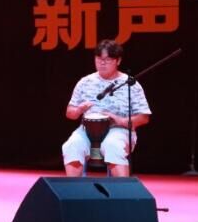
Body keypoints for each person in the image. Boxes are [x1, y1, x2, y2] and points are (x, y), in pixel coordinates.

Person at [62, 39, 151, 177]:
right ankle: (74, 189)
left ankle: (122, 190)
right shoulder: (85, 82)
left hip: (119, 130)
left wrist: (120, 120)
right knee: (72, 145)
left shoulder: (130, 84)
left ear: (118, 61)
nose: (102, 63)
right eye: (99, 59)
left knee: (112, 145)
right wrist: (79, 110)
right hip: (87, 130)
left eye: (107, 59)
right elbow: (70, 113)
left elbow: (144, 117)